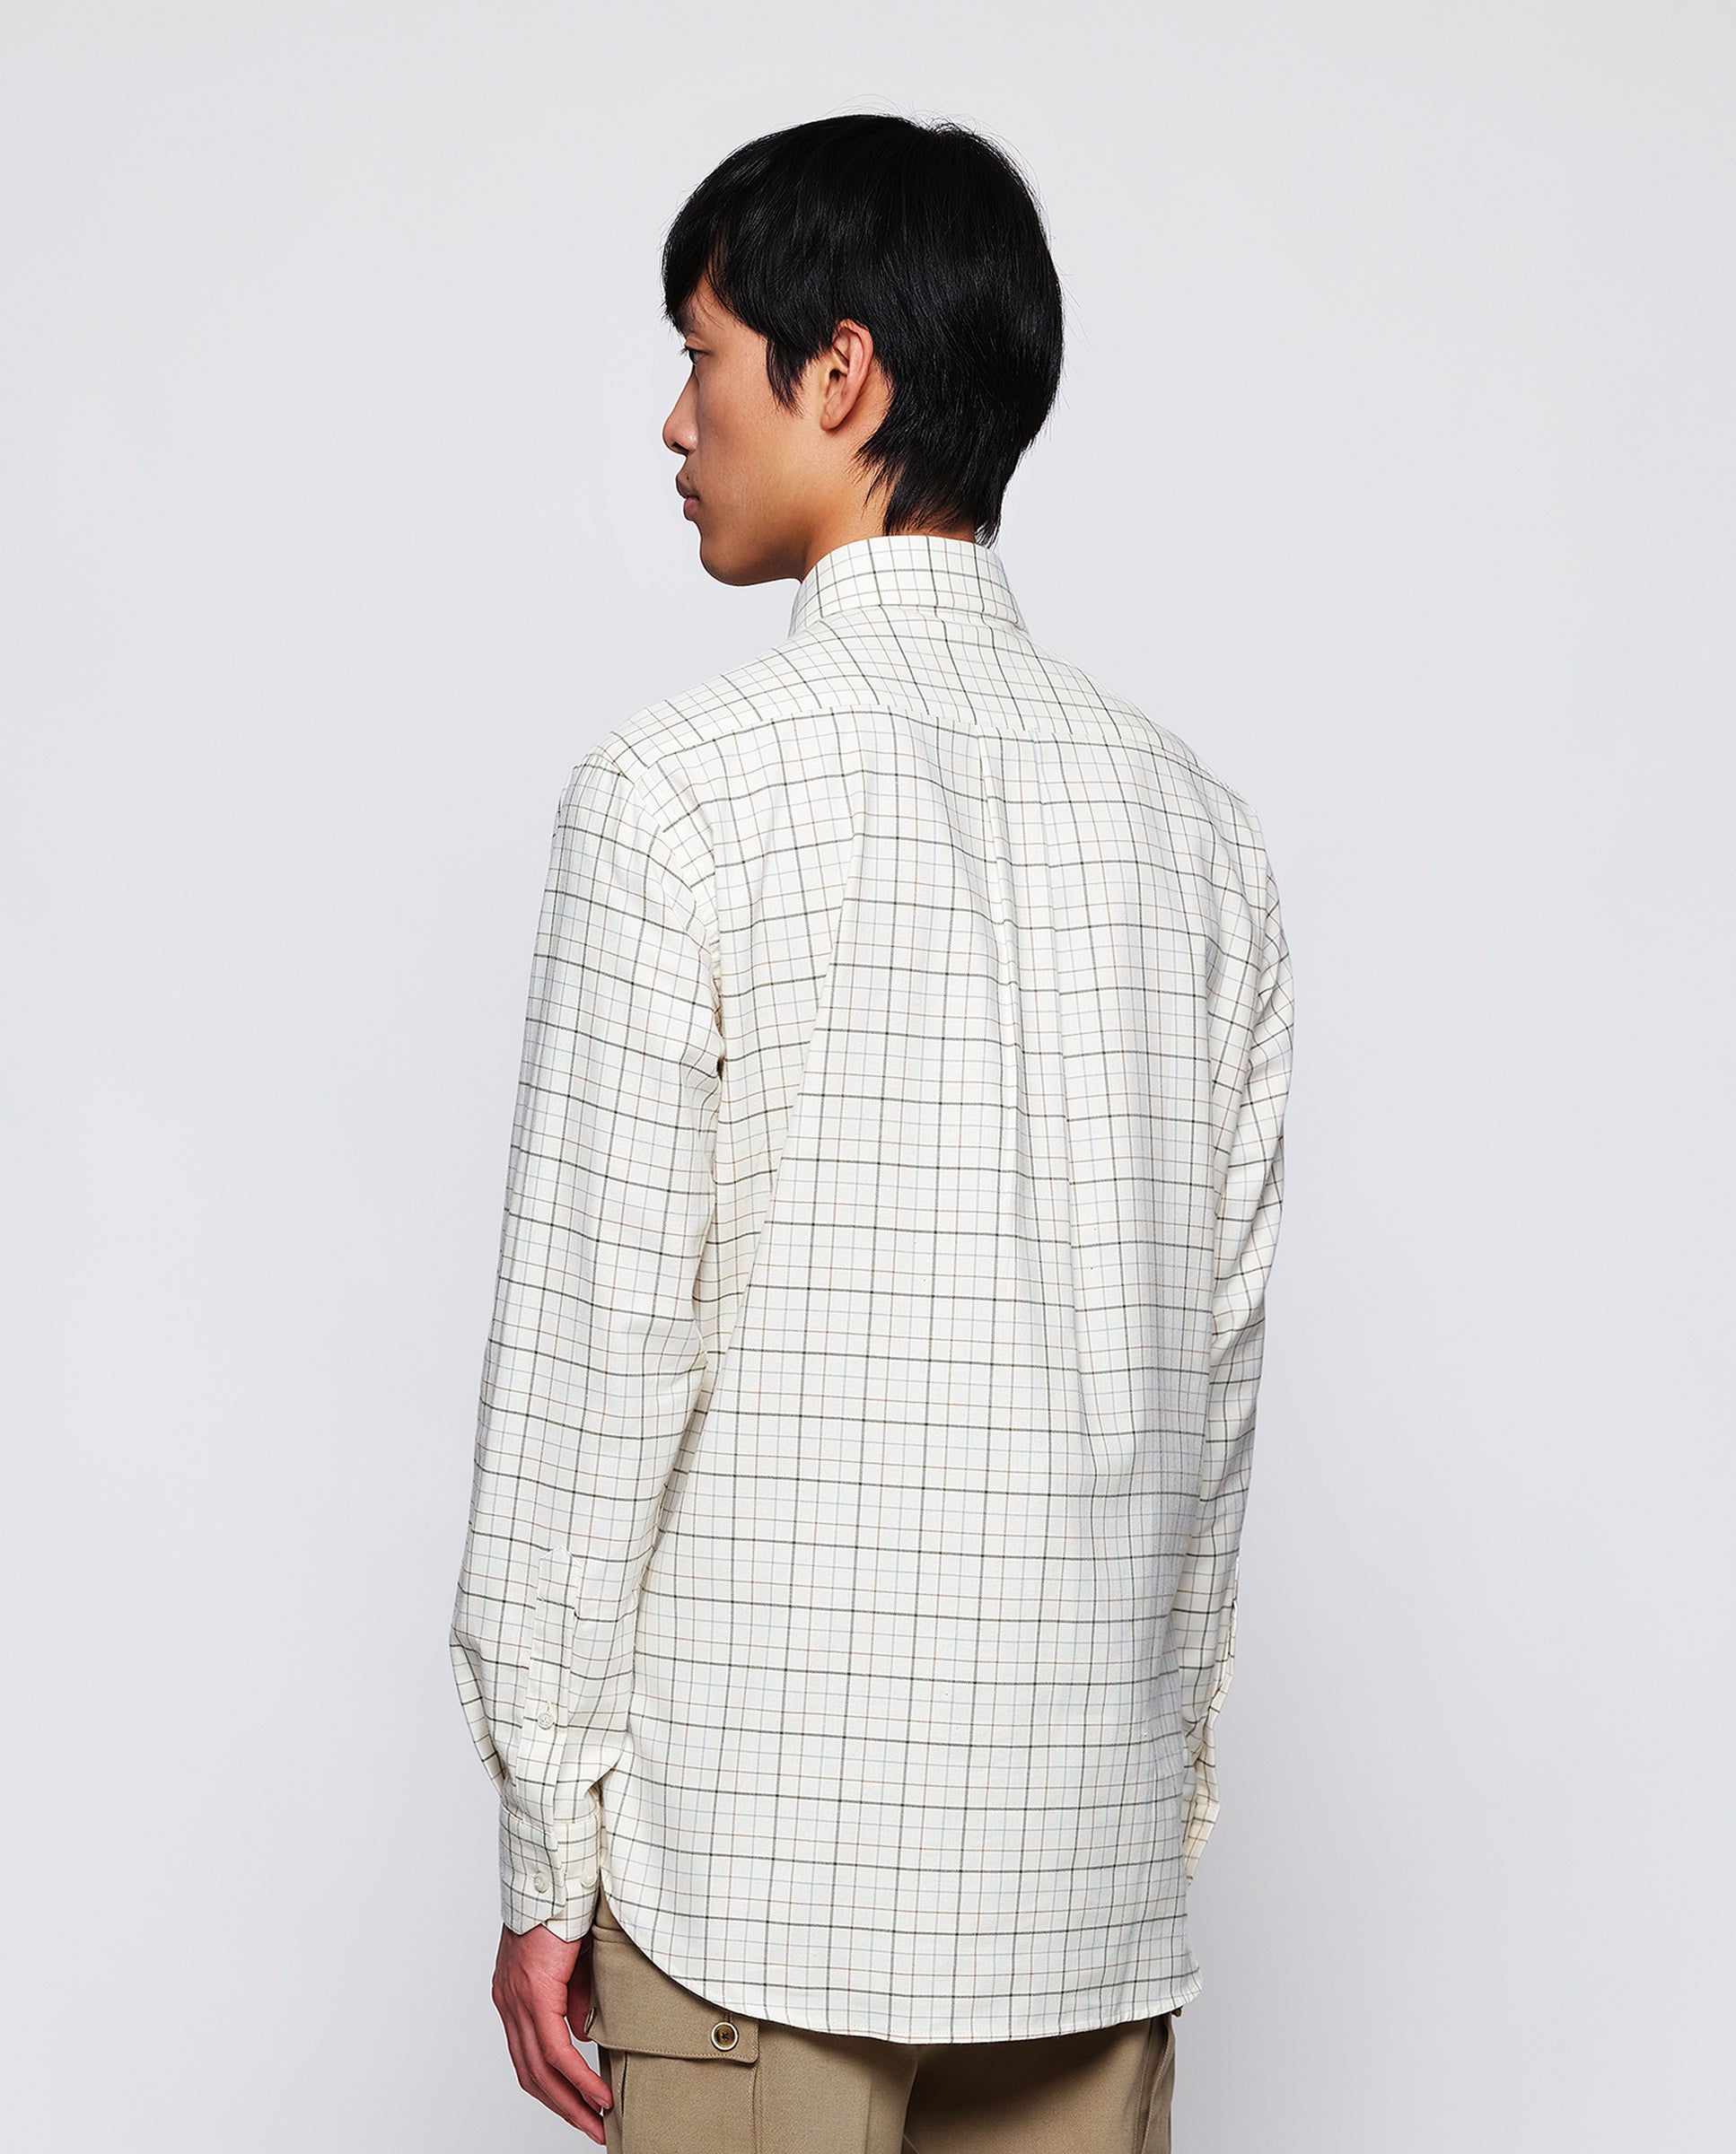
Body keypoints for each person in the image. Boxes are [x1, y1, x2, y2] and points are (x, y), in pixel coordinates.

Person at [452, 112, 1293, 2152]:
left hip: (755, 1902)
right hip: (1084, 1906)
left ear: (841, 375)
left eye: (702, 357)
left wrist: (545, 1854)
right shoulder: (1199, 835)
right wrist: (1144, 1800)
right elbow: (1217, 1388)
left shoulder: (671, 798)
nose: (676, 422)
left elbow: (591, 1368)